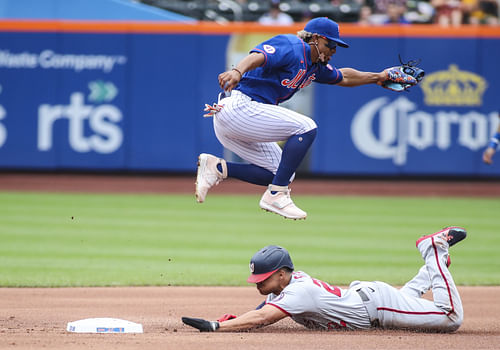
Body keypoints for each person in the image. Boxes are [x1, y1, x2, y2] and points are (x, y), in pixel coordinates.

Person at [195, 17, 396, 220]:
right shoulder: (293, 45)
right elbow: (258, 56)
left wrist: (378, 77)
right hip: (239, 107)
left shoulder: (315, 66)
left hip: (241, 120)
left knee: (282, 173)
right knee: (306, 126)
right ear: (316, 39)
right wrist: (238, 71)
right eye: (331, 44)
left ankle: (218, 168)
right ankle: (276, 194)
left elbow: (343, 77)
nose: (334, 51)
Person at [182, 226, 467, 332]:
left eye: (264, 278)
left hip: (379, 306)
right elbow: (259, 312)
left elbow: (262, 319)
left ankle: (432, 251)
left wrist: (217, 326)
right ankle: (436, 266)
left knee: (450, 317)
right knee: (412, 299)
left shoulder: (299, 291)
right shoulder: (283, 288)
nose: (257, 283)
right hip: (370, 298)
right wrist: (236, 321)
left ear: (282, 275)